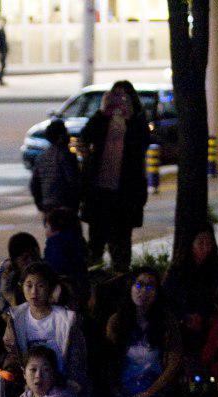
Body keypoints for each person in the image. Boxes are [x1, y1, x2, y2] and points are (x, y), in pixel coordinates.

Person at [79, 82, 150, 272]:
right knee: (96, 242)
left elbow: (142, 144)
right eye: (115, 95)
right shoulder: (103, 118)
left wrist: (130, 118)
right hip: (100, 191)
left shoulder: (138, 120)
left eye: (124, 96)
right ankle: (95, 282)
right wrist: (102, 111)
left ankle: (120, 279)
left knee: (121, 244)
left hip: (124, 194)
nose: (120, 101)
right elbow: (85, 135)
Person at [4, 263, 89, 397]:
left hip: (62, 387)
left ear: (50, 288)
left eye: (40, 286)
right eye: (29, 285)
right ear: (22, 287)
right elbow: (12, 353)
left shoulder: (66, 319)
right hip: (30, 388)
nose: (34, 292)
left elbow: (77, 357)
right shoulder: (16, 318)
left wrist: (73, 384)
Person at [106, 267, 183, 397]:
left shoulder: (166, 322)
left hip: (156, 391)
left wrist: (150, 392)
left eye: (150, 286)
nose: (143, 291)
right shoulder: (117, 321)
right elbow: (110, 360)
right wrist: (115, 390)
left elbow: (174, 361)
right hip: (123, 391)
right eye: (139, 285)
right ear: (131, 287)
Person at [30, 120, 81, 218]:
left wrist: (40, 204)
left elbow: (34, 185)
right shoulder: (67, 156)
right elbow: (73, 182)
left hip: (47, 206)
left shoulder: (42, 157)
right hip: (65, 206)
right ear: (61, 136)